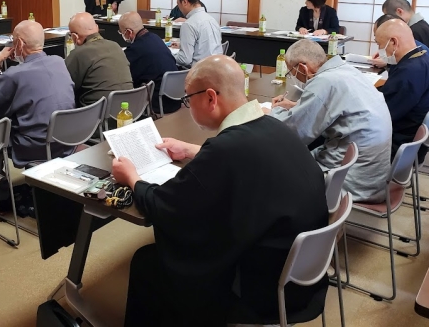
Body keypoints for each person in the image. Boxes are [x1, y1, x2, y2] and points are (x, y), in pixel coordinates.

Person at [112, 55, 328, 325]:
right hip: (301, 274)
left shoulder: (226, 150)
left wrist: (132, 178)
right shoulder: (272, 125)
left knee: (147, 263)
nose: (188, 105)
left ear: (210, 98)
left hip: (261, 288)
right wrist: (192, 150)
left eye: (188, 99)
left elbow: (166, 207)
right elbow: (244, 160)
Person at [267, 40, 391, 203]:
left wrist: (272, 112)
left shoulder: (325, 82)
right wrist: (298, 106)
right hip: (372, 175)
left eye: (291, 72)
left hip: (350, 180)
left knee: (274, 166)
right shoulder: (346, 70)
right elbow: (334, 106)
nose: (293, 77)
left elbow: (294, 132)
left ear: (302, 67)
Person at [0, 20, 75, 167]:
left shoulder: (15, 74)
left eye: (13, 41)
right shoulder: (59, 62)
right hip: (66, 141)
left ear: (19, 44)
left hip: (35, 147)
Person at [375, 19, 429, 161]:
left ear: (394, 42)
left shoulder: (409, 72)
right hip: (414, 143)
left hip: (398, 146)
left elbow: (382, 115)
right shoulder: (427, 60)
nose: (379, 50)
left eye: (380, 44)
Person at [66, 12, 132, 107]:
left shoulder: (79, 54)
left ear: (75, 37)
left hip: (97, 113)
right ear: (97, 28)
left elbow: (65, 86)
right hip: (128, 109)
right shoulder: (116, 46)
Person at [119, 12, 180, 115]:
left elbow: (127, 78)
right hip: (175, 98)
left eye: (121, 33)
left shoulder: (135, 50)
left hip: (157, 103)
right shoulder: (156, 38)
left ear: (129, 32)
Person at [170, 0, 222, 68]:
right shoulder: (212, 20)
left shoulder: (188, 24)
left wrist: (167, 55)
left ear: (184, 2)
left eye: (178, 4)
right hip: (216, 67)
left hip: (199, 71)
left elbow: (185, 60)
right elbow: (207, 47)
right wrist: (182, 45)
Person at [382, 0, 429, 65]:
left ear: (399, 11)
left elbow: (411, 61)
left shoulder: (414, 30)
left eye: (390, 17)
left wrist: (387, 63)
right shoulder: (423, 25)